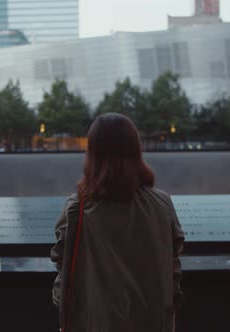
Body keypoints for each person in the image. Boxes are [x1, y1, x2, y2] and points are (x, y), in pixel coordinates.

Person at [50, 113, 185, 332]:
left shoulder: (77, 210)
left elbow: (65, 279)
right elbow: (173, 270)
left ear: (92, 154)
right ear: (135, 151)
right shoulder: (162, 204)